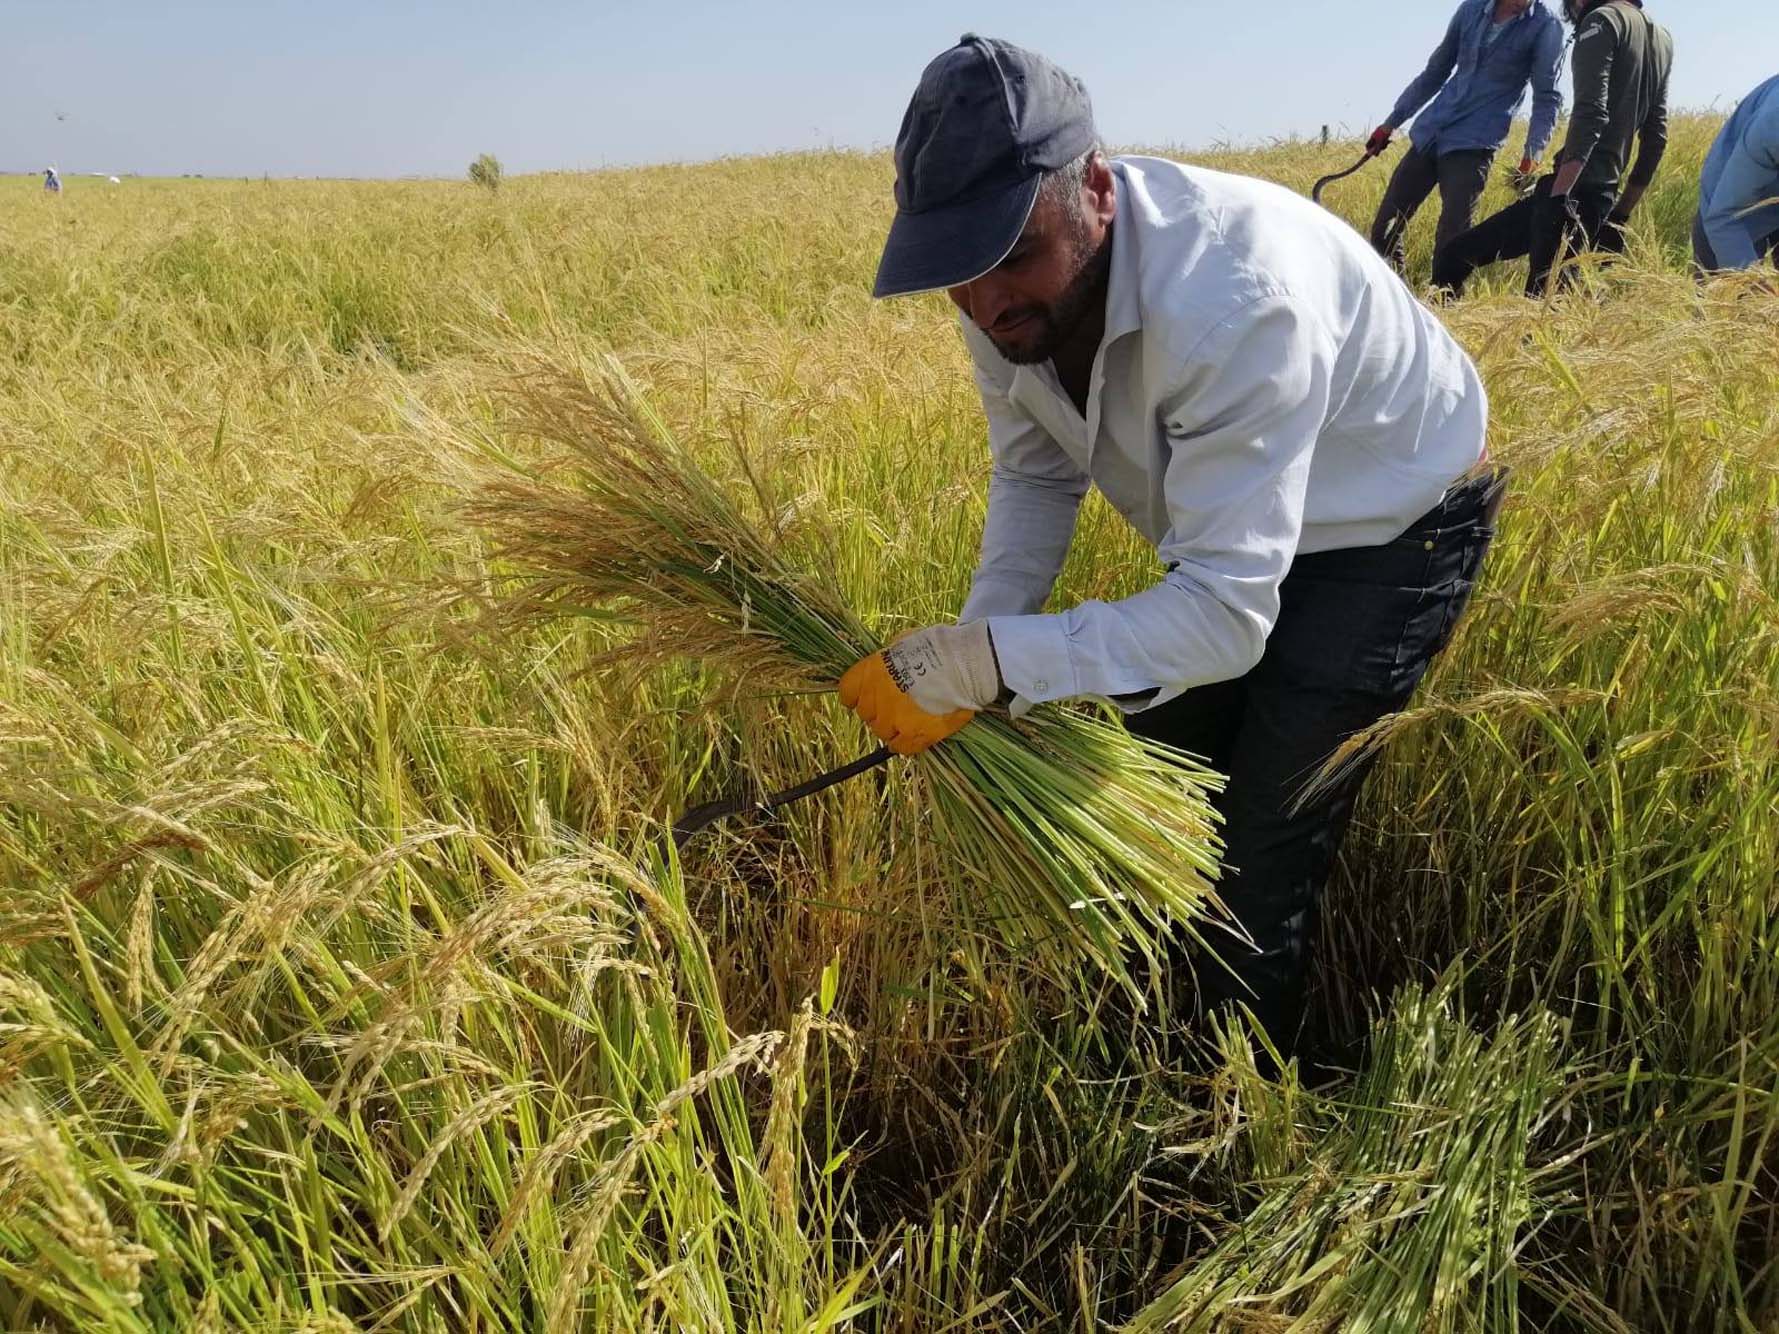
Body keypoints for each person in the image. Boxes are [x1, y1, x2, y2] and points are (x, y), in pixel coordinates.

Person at [839, 36, 1504, 1060]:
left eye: (1014, 255)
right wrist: (974, 649)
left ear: (1097, 190)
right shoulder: (998, 297)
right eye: (958, 274)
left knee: (1261, 839)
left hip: (1392, 524)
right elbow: (1035, 473)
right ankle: (1153, 1029)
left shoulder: (1237, 301)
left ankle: (1232, 1097)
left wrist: (996, 659)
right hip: (1244, 528)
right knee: (1161, 769)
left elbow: (1226, 619)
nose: (985, 303)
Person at [1433, 0, 1673, 298]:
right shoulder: (1661, 37)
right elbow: (1656, 138)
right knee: (1457, 258)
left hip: (1572, 192)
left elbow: (1591, 112)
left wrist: (1559, 197)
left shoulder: (1601, 21)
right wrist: (1620, 215)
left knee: (1539, 305)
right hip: (1600, 198)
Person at [1365, 0, 1565, 271]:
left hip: (1473, 146)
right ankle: (1398, 294)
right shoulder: (1471, 9)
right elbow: (1435, 72)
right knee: (1383, 230)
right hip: (1431, 133)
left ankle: (1442, 297)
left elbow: (1546, 98)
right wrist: (1390, 124)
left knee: (1452, 244)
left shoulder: (1546, 26)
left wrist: (1532, 155)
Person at [1693, 73, 1779, 274]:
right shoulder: (1772, 126)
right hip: (1727, 214)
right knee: (1727, 290)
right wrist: (1750, 283)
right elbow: (1723, 218)